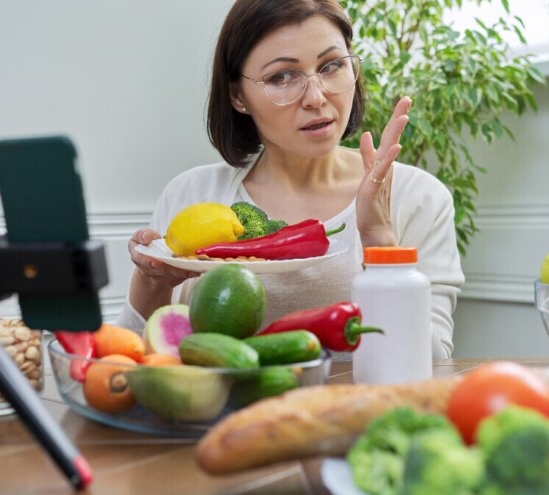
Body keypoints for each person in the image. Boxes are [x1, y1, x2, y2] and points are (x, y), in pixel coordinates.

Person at [114, 0, 464, 359]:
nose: (316, 97)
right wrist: (151, 280)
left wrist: (380, 239)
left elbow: (433, 364)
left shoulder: (418, 197)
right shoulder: (192, 194)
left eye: (331, 66)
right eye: (281, 76)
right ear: (238, 95)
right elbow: (129, 358)